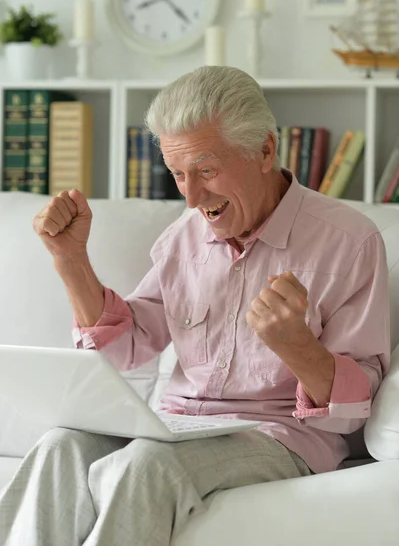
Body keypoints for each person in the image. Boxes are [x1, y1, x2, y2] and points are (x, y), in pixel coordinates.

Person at [0, 66, 390, 546]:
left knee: (144, 466)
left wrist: (298, 347)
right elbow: (125, 351)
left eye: (206, 171)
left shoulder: (348, 242)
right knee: (59, 446)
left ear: (265, 150)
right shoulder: (182, 239)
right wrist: (70, 260)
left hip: (278, 436)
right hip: (175, 424)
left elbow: (354, 416)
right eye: (178, 174)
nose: (191, 196)